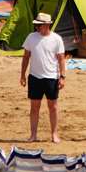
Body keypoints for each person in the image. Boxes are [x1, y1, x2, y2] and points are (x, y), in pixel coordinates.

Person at [19, 11, 66, 143]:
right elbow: (26, 57)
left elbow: (61, 59)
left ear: (47, 25)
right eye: (37, 25)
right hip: (34, 77)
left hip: (51, 77)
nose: (37, 27)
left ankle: (54, 134)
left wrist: (62, 77)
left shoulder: (56, 39)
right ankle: (33, 135)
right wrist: (22, 75)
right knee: (34, 107)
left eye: (39, 25)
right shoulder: (31, 38)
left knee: (53, 106)